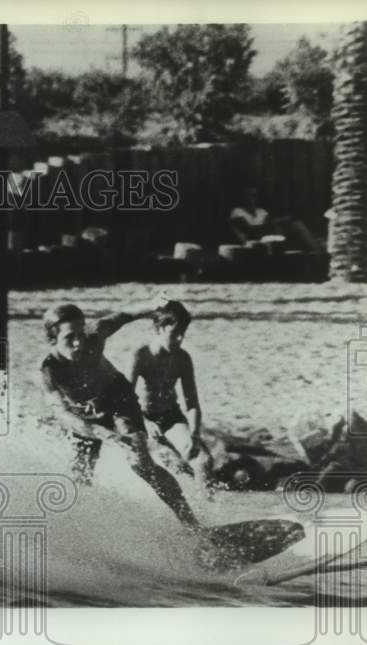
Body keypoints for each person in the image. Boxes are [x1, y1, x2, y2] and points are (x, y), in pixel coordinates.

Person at [40, 301, 200, 528]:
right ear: (52, 340)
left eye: (81, 334)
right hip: (85, 415)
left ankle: (192, 525)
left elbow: (124, 315)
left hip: (118, 401)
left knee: (140, 463)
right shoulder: (48, 371)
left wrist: (152, 304)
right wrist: (102, 432)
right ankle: (80, 532)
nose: (78, 343)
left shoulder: (94, 335)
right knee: (80, 476)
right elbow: (63, 413)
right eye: (69, 338)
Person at [130, 301, 213, 486]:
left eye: (183, 334)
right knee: (172, 463)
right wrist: (144, 422)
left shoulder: (182, 358)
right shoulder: (140, 355)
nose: (179, 340)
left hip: (170, 417)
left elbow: (192, 404)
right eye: (174, 334)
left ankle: (208, 510)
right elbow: (124, 398)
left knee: (203, 460)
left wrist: (194, 434)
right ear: (158, 329)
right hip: (140, 419)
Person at [229, 186, 321, 253]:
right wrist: (274, 223)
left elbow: (268, 227)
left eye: (254, 195)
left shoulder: (261, 211)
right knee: (282, 225)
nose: (252, 198)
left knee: (297, 224)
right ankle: (316, 248)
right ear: (243, 197)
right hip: (253, 240)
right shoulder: (237, 211)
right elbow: (249, 230)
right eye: (249, 195)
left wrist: (277, 223)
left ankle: (316, 249)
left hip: (269, 236)